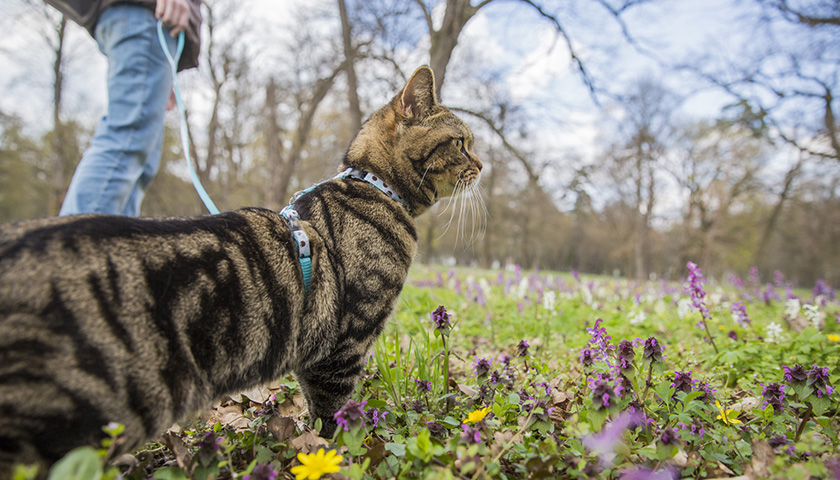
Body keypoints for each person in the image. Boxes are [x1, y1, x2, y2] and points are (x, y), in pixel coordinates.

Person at [45, 0, 202, 216]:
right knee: (127, 142)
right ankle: (71, 246)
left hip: (146, 22)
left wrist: (167, 73)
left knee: (139, 164)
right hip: (146, 16)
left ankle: (115, 244)